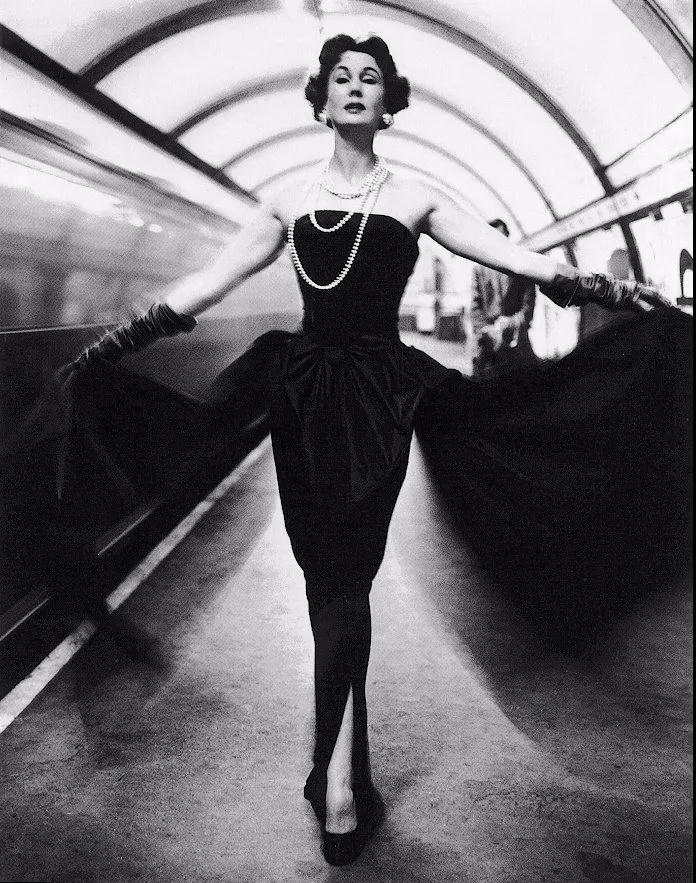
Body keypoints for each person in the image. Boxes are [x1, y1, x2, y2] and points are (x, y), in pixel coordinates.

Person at [63, 34, 675, 866]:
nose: (356, 87)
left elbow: (518, 258)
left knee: (343, 579)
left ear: (389, 105)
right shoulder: (284, 200)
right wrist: (112, 343)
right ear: (322, 102)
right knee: (331, 582)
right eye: (342, 77)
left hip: (381, 399)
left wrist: (620, 290)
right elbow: (206, 285)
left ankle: (340, 785)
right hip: (302, 398)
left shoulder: (416, 198)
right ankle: (341, 768)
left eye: (372, 79)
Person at [470, 219, 537, 377]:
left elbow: (528, 309)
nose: (497, 242)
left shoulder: (522, 267)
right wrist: (487, 331)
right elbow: (475, 307)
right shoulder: (479, 268)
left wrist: (509, 323)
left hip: (515, 341)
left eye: (500, 237)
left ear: (507, 236)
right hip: (488, 342)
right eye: (492, 237)